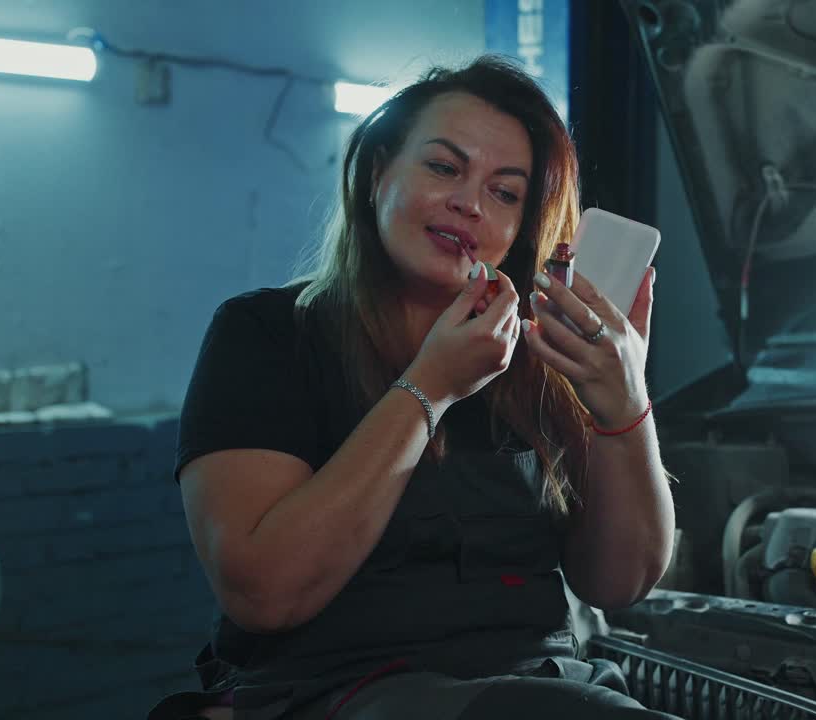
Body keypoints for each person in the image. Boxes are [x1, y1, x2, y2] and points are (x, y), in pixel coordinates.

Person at [149, 55, 679, 720]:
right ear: (378, 174)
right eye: (443, 167)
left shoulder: (536, 359)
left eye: (505, 193)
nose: (469, 203)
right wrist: (429, 387)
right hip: (338, 694)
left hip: (544, 683)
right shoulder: (266, 333)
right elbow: (264, 594)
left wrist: (625, 406)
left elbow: (620, 583)